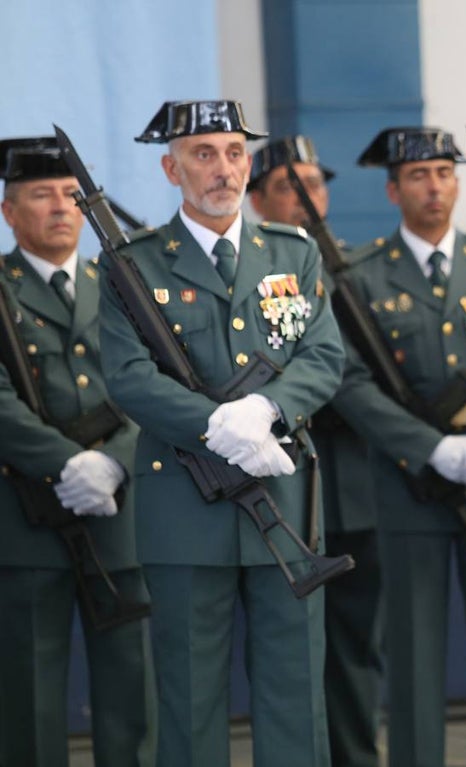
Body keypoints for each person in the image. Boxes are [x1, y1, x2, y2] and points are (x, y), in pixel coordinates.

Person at [98, 100, 345, 767]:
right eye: (204, 153)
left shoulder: (292, 253)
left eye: (235, 152)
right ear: (170, 167)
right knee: (188, 699)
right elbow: (126, 376)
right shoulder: (134, 265)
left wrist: (266, 409)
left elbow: (323, 356)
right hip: (185, 508)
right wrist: (213, 422)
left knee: (296, 696)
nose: (224, 168)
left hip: (288, 505)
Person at [333, 126, 466, 767]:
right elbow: (350, 382)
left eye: (444, 173)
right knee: (415, 650)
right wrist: (428, 448)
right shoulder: (360, 276)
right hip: (407, 483)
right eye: (418, 176)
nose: (434, 186)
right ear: (394, 190)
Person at [0, 136, 156, 766]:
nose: (62, 208)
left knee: (131, 693)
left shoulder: (120, 286)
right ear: (10, 211)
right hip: (24, 519)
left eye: (71, 195)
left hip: (118, 514)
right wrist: (66, 463)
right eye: (42, 195)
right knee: (31, 697)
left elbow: (158, 384)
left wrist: (115, 460)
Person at [247, 135, 386, 767]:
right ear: (255, 201)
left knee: (355, 647)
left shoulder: (365, 269)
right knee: (286, 650)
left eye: (316, 184)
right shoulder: (242, 275)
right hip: (275, 485)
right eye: (288, 186)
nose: (307, 198)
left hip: (356, 486)